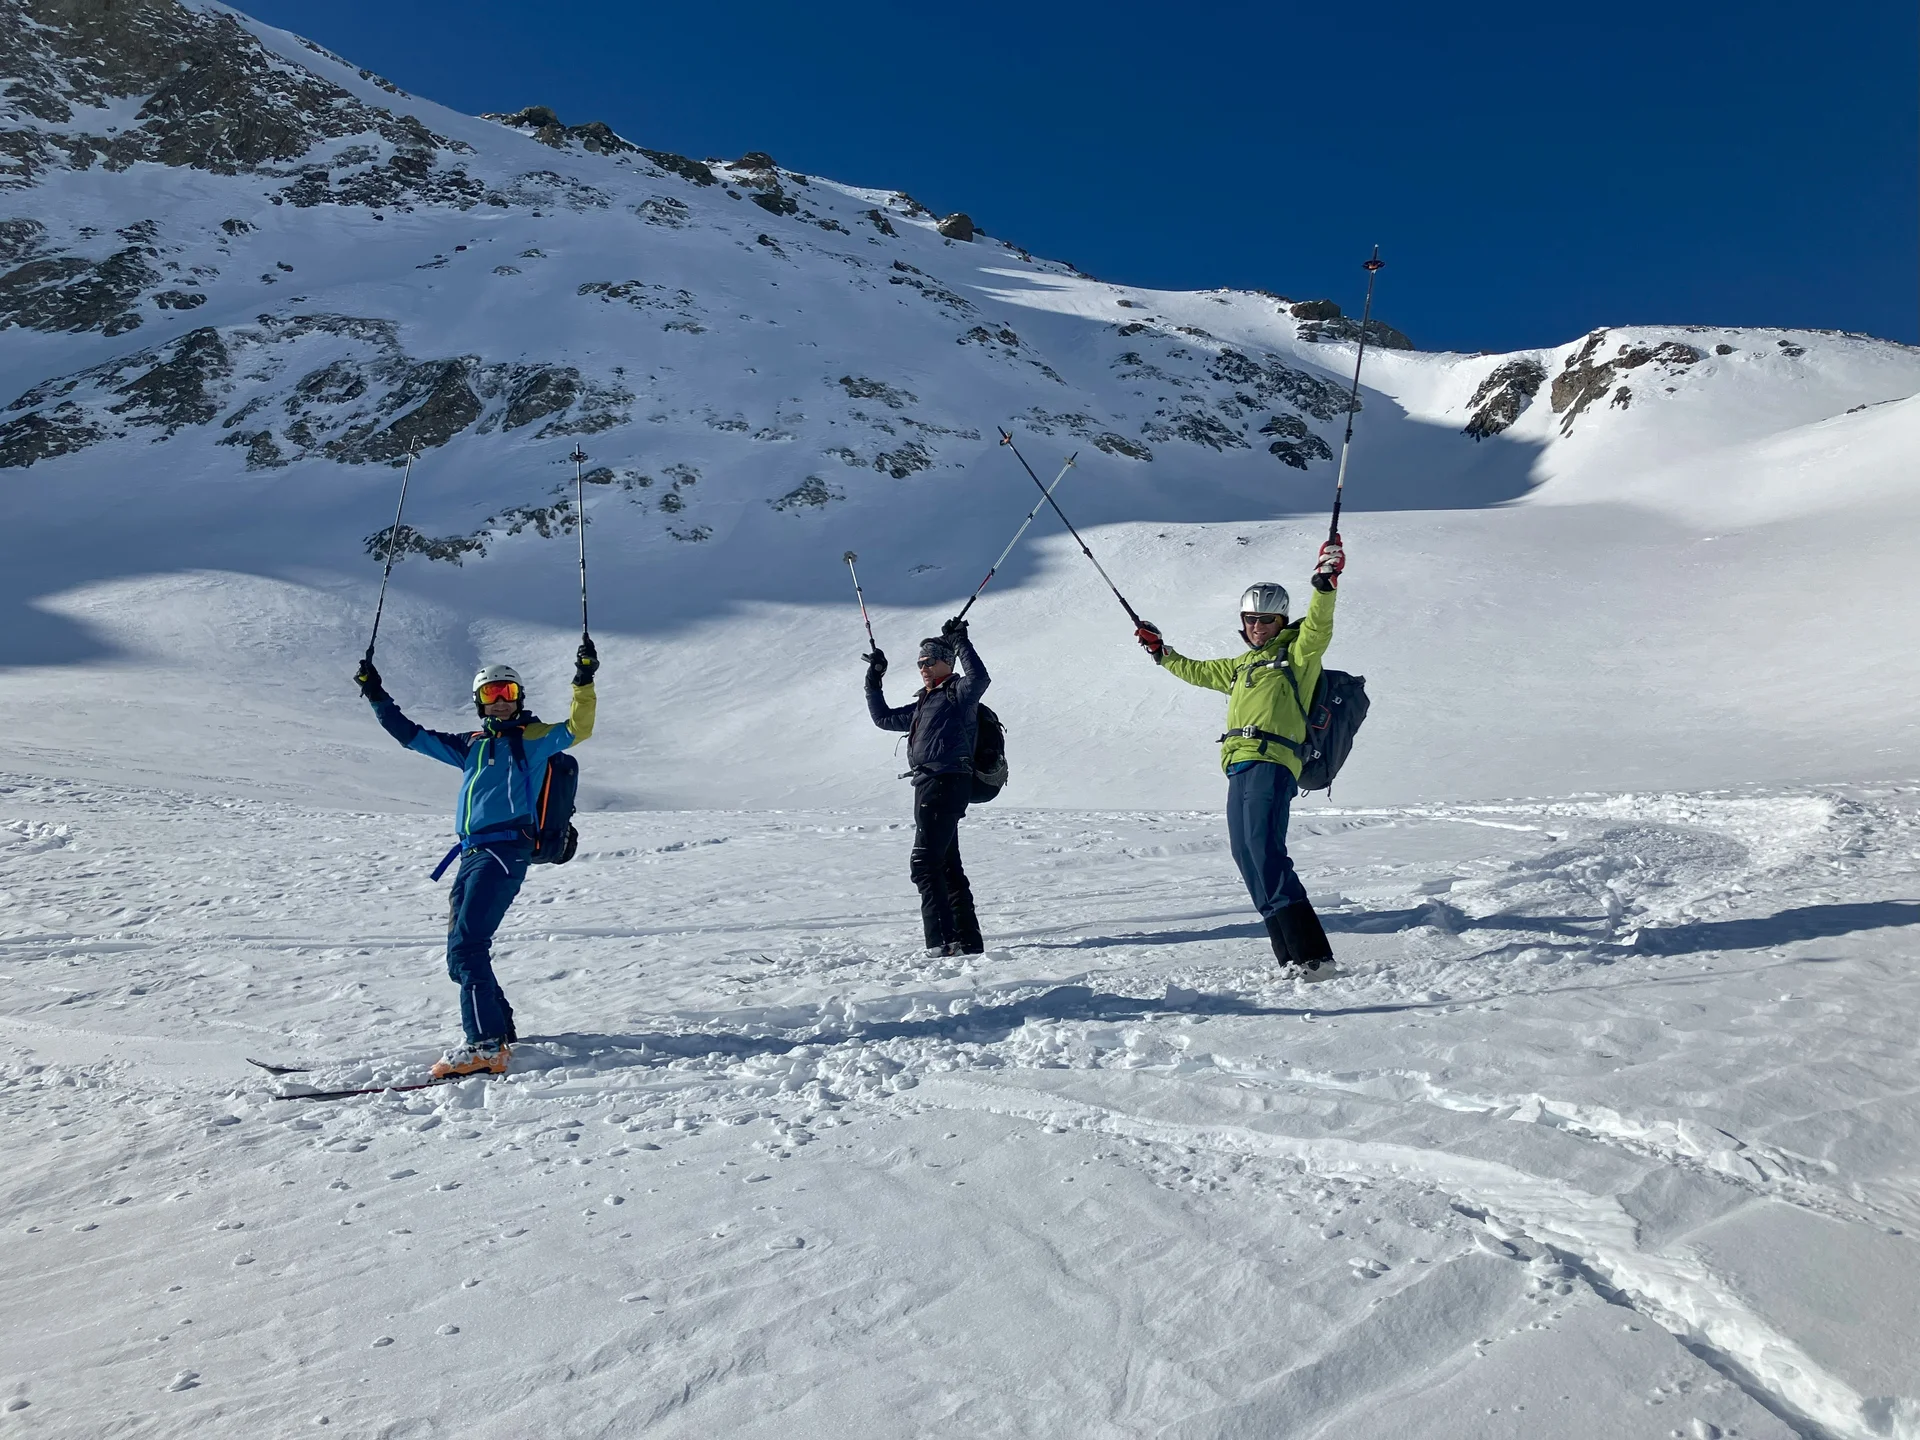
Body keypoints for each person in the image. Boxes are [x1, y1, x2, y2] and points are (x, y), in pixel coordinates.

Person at [352, 639, 598, 1076]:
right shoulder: (470, 745)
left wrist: (583, 680)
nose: (500, 701)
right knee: (458, 953)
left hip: (505, 850)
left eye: (507, 693)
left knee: (468, 946)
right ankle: (498, 1030)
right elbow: (411, 736)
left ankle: (485, 1046)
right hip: (472, 853)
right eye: (491, 694)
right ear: (479, 702)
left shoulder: (533, 739)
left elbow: (579, 728)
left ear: (519, 697)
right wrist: (376, 694)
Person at [1134, 538, 1345, 973]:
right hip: (1240, 765)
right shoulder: (1240, 666)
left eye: (1265, 619)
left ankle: (1314, 956)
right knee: (1246, 855)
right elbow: (1193, 669)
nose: (1257, 627)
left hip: (1273, 761)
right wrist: (1161, 651)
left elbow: (1319, 628)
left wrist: (1325, 585)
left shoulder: (1297, 654)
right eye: (1249, 619)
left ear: (1281, 619)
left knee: (1264, 849)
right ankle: (1290, 958)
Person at [865, 617, 989, 957]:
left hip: (945, 781)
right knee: (947, 864)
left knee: (924, 863)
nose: (922, 667)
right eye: (919, 662)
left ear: (945, 663)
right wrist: (874, 679)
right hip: (930, 783)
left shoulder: (957, 693)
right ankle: (967, 942)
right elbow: (883, 718)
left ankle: (942, 943)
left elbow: (980, 678)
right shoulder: (924, 702)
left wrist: (960, 640)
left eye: (928, 661)